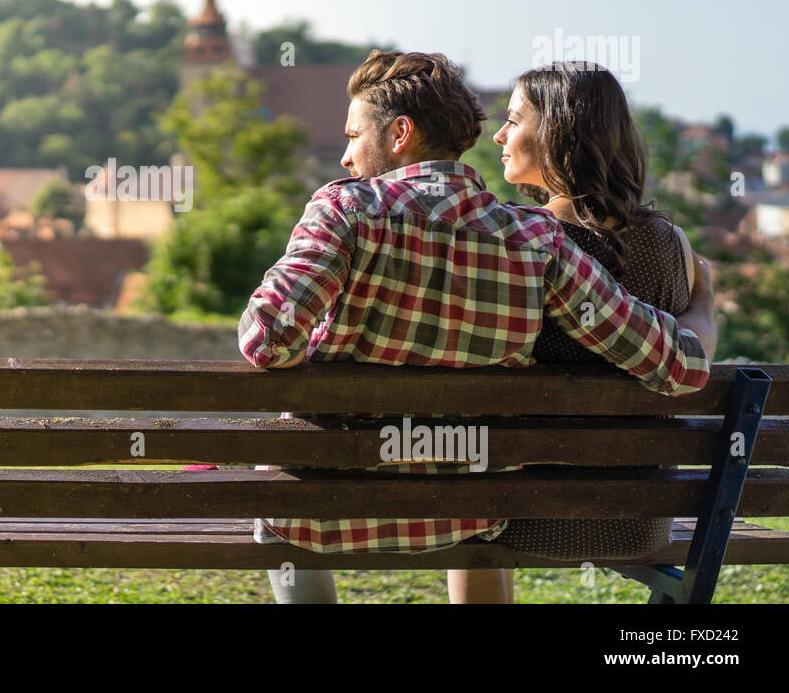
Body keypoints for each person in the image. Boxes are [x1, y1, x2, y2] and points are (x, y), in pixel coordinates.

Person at [238, 49, 717, 604]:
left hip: (322, 514)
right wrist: (702, 306)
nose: (345, 157)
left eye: (352, 135)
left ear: (399, 134)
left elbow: (268, 341)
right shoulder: (537, 239)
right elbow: (677, 365)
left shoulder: (344, 211)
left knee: (281, 506)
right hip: (462, 519)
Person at [447, 62, 704, 601]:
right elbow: (690, 360)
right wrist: (707, 300)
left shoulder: (514, 240)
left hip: (517, 515)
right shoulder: (671, 243)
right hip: (640, 520)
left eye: (513, 120)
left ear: (557, 132)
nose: (498, 134)